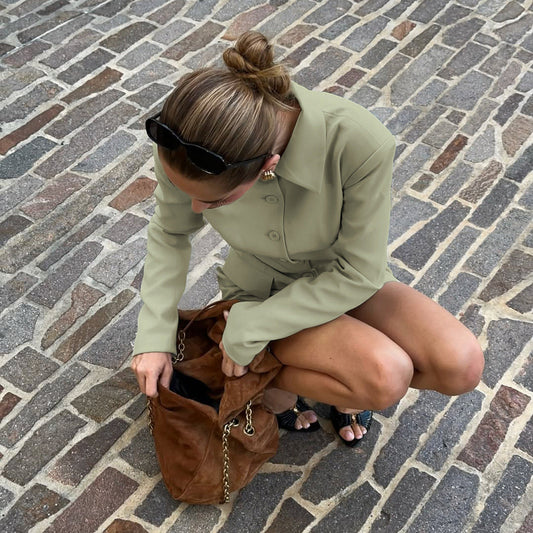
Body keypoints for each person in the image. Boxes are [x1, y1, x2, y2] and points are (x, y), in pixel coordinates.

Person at [131, 31, 484, 446]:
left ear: (269, 165)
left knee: (461, 365)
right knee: (384, 376)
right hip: (258, 289)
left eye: (216, 201)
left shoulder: (358, 142)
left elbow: (359, 271)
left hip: (346, 282)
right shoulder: (184, 141)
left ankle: (299, 371)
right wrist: (154, 336)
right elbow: (170, 231)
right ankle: (284, 386)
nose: (196, 208)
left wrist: (252, 328)